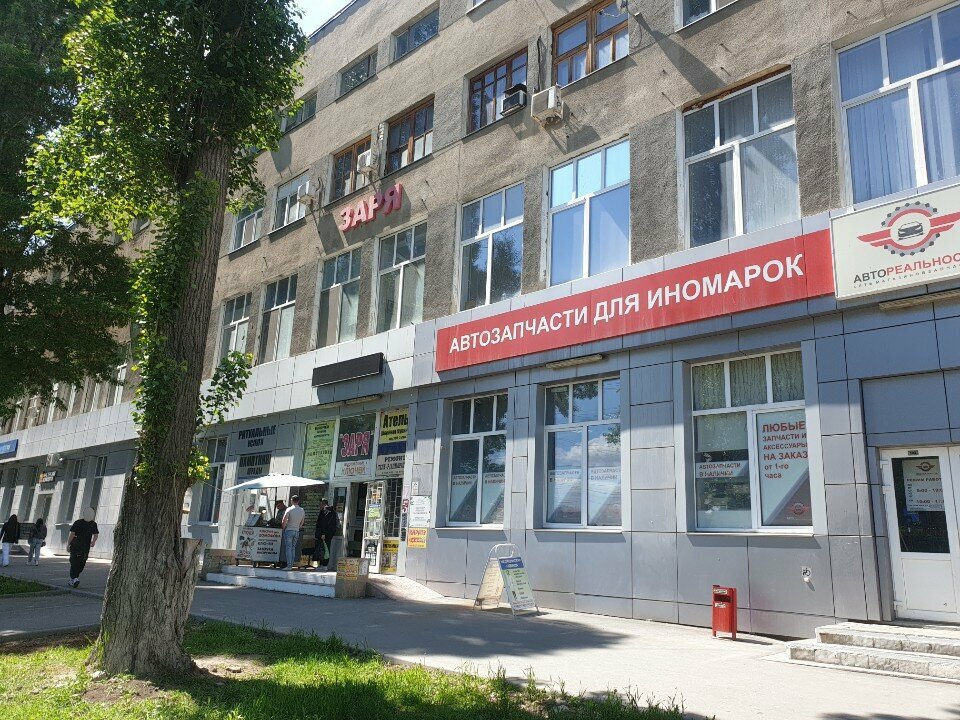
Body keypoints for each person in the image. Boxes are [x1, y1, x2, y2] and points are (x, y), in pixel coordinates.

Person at [67, 507, 99, 588]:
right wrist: (68, 544)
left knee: (81, 563)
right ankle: (74, 579)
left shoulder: (93, 524)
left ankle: (73, 579)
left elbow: (96, 534)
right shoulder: (78, 522)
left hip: (85, 547)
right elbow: (72, 534)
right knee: (75, 562)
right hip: (76, 546)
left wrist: (93, 541)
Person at [313, 498, 340, 570]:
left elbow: (324, 523)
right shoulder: (332, 511)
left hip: (324, 534)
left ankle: (324, 565)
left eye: (320, 504)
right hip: (329, 533)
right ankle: (323, 564)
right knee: (325, 548)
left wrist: (323, 534)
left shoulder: (325, 511)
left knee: (323, 549)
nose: (319, 506)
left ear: (323, 504)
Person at [280, 494, 304, 570]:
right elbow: (302, 522)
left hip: (289, 530)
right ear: (298, 501)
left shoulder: (289, 509)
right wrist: (297, 527)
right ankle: (291, 564)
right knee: (293, 548)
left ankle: (289, 565)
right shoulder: (302, 510)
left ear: (291, 501)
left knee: (288, 548)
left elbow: (284, 520)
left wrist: (284, 528)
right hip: (297, 531)